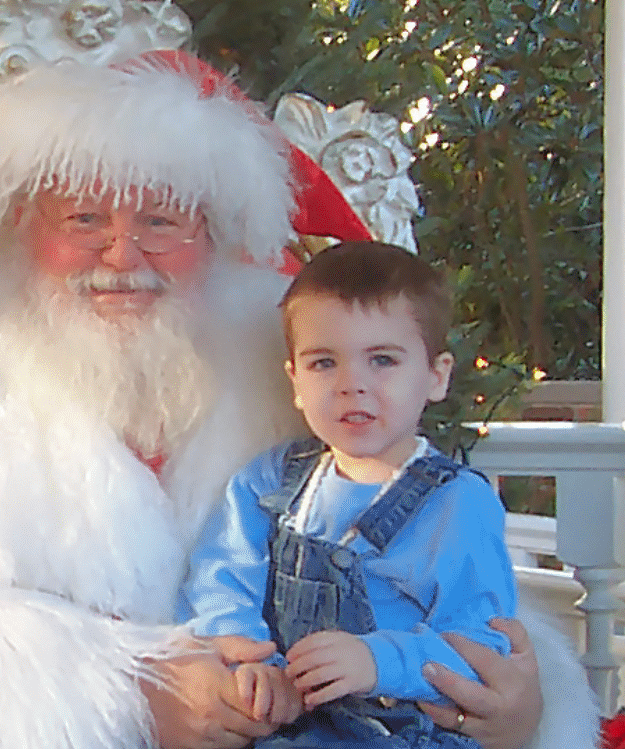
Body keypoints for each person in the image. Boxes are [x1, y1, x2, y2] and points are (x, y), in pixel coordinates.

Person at [0, 53, 599, 749]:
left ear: (215, 236)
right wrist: (131, 693)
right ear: (23, 227)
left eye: (160, 222)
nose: (122, 257)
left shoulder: (301, 363)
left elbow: (435, 566)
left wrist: (515, 707)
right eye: (84, 219)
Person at [179, 240, 518, 748]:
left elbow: (484, 644)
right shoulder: (272, 481)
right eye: (323, 363)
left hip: (403, 733)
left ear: (436, 375)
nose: (352, 384)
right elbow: (220, 576)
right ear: (294, 380)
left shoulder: (456, 504)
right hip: (289, 725)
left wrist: (378, 660)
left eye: (382, 359)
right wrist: (250, 659)